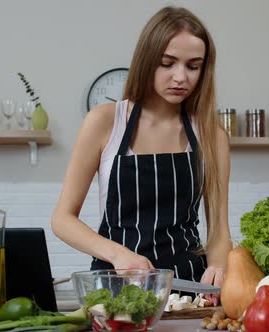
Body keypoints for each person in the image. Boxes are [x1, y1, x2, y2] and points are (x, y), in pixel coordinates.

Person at [51, 6, 231, 290]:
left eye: (193, 66)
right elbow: (62, 220)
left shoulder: (211, 134)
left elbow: (219, 229)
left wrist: (219, 269)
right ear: (147, 60)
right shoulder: (105, 123)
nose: (181, 77)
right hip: (116, 283)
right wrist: (118, 254)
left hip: (188, 286)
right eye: (167, 63)